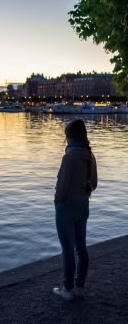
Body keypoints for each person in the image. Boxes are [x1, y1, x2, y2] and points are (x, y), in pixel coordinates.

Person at [53, 119, 97, 301]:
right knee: (81, 249)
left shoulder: (69, 157)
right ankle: (79, 287)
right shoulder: (90, 156)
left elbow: (62, 186)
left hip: (66, 207)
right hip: (83, 205)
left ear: (69, 136)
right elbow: (93, 184)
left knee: (67, 250)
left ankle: (67, 289)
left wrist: (57, 200)